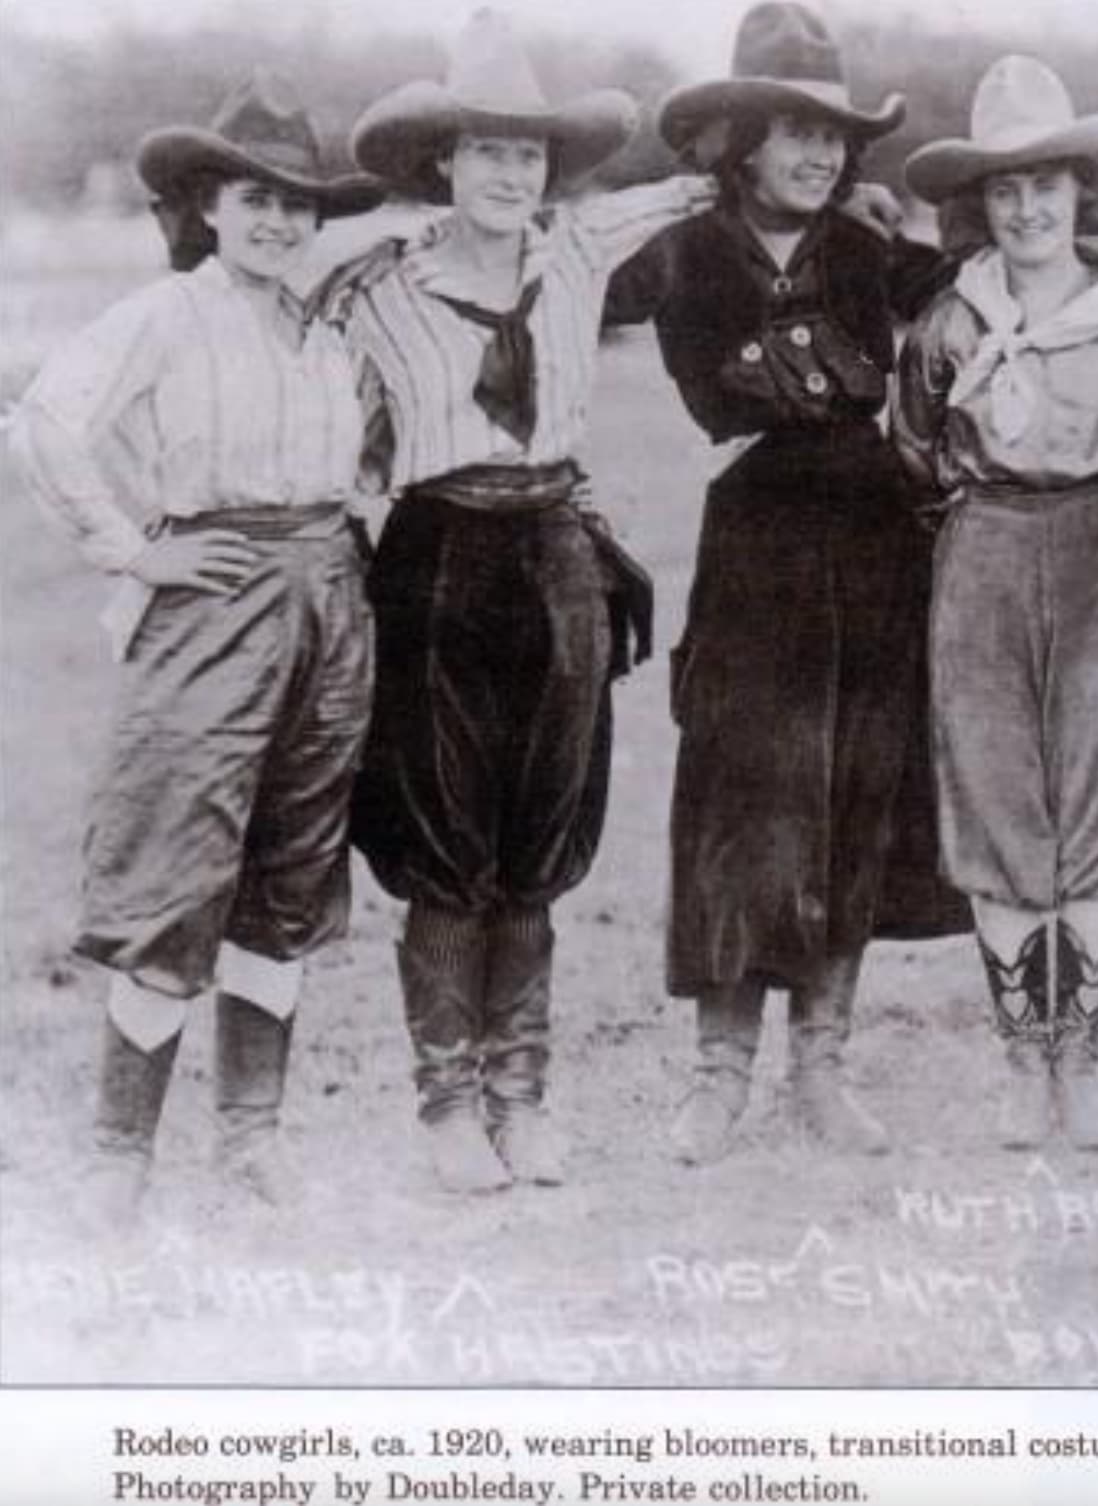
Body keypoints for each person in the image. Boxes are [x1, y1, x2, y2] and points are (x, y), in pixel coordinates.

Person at [325, 8, 714, 1193]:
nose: (508, 173)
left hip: (555, 555)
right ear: (443, 161)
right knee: (446, 837)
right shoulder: (377, 289)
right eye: (485, 150)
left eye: (527, 153)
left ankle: (523, 1095)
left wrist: (755, 144)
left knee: (538, 835)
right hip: (435, 561)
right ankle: (448, 1105)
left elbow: (700, 190)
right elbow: (333, 427)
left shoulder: (578, 252)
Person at [9, 74, 385, 1220]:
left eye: (298, 204)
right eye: (253, 198)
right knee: (178, 864)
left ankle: (250, 1141)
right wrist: (133, 550)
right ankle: (121, 1155)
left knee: (292, 867)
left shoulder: (324, 329)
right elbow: (46, 418)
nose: (277, 221)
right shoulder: (170, 314)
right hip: (210, 598)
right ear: (208, 207)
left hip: (328, 599)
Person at [604, 1, 968, 1167]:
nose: (816, 153)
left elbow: (991, 276)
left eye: (833, 135)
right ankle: (718, 1076)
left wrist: (911, 220)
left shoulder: (868, 248)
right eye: (791, 131)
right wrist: (659, 199)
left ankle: (824, 1066)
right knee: (742, 799)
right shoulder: (684, 251)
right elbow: (557, 274)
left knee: (854, 793)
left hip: (877, 536)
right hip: (758, 543)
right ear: (741, 138)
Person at [894, 55, 1098, 1151]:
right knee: (1000, 798)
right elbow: (915, 459)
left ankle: (1086, 1059)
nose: (1027, 209)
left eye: (1047, 185)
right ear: (980, 204)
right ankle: (1025, 1061)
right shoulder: (947, 321)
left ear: (1082, 192)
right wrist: (990, 527)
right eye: (1005, 190)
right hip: (981, 557)